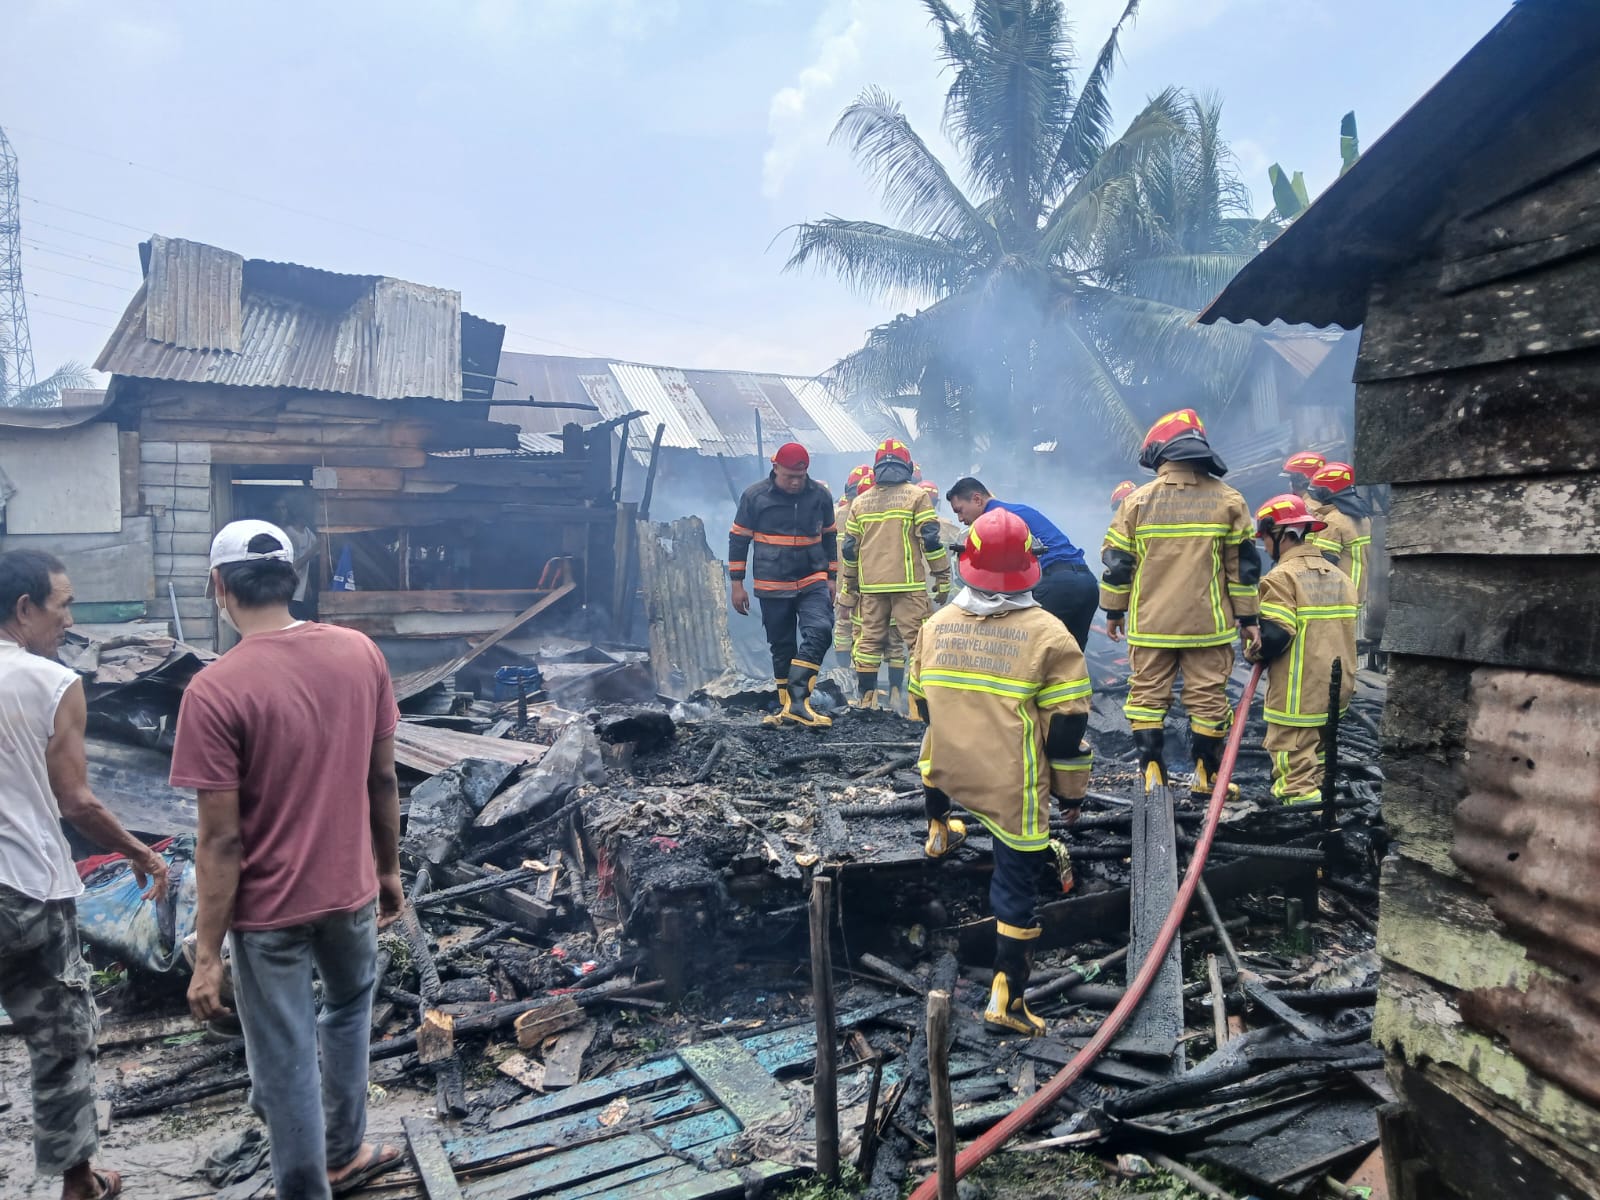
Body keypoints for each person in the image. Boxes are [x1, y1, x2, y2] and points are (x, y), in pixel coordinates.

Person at [170, 521, 406, 1199]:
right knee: (349, 1011)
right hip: (351, 891)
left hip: (269, 912)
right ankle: (343, 1150)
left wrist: (208, 952)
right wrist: (387, 871)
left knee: (284, 1053)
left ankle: (307, 1185)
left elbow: (219, 841)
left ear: (219, 586)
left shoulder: (215, 690)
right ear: (294, 579)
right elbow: (382, 780)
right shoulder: (360, 654)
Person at [0, 549, 170, 1200]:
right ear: (25, 610)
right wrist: (141, 852)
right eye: (63, 604)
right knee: (63, 1036)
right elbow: (78, 802)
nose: (70, 620)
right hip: (27, 888)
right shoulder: (50, 683)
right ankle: (78, 1183)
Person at [911, 509, 1093, 1036]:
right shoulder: (1049, 634)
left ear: (967, 565)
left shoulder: (935, 624)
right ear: (1031, 568)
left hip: (948, 767)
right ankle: (1007, 1002)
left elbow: (923, 705)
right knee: (1016, 885)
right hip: (1012, 785)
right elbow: (1067, 727)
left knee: (934, 741)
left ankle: (938, 831)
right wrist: (1070, 794)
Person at [1100, 409, 1263, 799]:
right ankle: (1206, 777)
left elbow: (1118, 562)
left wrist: (1114, 610)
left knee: (1146, 697)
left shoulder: (1136, 502)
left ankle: (1152, 775)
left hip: (1150, 623)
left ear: (1161, 452)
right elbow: (1242, 568)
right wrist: (1249, 619)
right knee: (1207, 700)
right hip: (1208, 626)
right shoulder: (1229, 500)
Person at [1248, 495, 1358, 804]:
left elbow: (1275, 636)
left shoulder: (1282, 577)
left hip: (1297, 698)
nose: (1265, 546)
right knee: (1320, 763)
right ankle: (1322, 813)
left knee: (1294, 775)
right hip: (1335, 693)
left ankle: (1301, 827)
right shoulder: (1340, 577)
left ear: (1278, 534)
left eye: (1265, 538)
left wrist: (1251, 649)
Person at [728, 443, 839, 728]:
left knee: (821, 630)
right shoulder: (754, 497)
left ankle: (798, 702)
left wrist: (831, 578)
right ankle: (787, 709)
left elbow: (829, 537)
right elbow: (739, 539)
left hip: (812, 579)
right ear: (775, 467)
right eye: (789, 476)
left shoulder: (820, 496)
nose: (794, 482)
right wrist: (736, 584)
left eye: (800, 477)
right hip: (772, 582)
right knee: (782, 645)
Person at [843, 439, 950, 712]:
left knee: (868, 641)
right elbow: (930, 540)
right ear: (908, 466)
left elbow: (850, 549)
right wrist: (942, 575)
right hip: (909, 585)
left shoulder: (861, 502)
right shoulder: (917, 496)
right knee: (917, 642)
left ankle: (867, 701)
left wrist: (850, 584)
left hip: (871, 587)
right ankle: (917, 707)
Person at [947, 477, 1097, 652]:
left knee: (1028, 654)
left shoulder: (995, 523)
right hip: (1088, 583)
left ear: (977, 499)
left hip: (1056, 585)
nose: (959, 518)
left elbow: (996, 579)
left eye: (960, 510)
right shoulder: (1021, 510)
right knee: (1069, 656)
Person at [1305, 461, 1374, 607]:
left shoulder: (1333, 521)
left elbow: (1324, 563)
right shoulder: (1364, 517)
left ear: (1328, 491)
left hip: (1339, 599)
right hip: (1360, 596)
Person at [272, 490, 321, 622]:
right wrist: (314, 549)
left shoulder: (308, 533)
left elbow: (308, 563)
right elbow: (293, 566)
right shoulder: (288, 534)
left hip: (300, 592)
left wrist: (308, 583)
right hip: (288, 592)